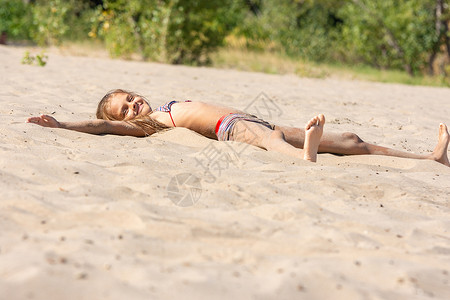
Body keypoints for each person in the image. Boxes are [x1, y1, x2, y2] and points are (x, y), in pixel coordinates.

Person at [27, 89, 449, 166]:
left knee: (353, 141)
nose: (135, 104)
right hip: (230, 127)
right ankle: (306, 159)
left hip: (255, 118)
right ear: (123, 119)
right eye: (125, 108)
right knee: (269, 141)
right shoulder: (146, 124)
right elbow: (99, 128)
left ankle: (429, 158)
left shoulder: (161, 106)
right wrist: (61, 123)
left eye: (131, 97)